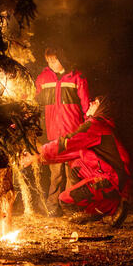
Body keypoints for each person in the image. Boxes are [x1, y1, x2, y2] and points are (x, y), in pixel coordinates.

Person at [33, 99, 131, 226]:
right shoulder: (100, 126)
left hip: (113, 179)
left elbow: (68, 142)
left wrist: (40, 152)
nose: (90, 103)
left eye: (95, 102)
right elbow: (71, 152)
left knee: (65, 199)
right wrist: (40, 157)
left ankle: (110, 207)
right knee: (76, 163)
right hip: (113, 176)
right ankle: (105, 206)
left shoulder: (95, 125)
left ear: (103, 107)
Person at [34, 47, 90, 216]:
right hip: (53, 135)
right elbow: (33, 99)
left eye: (54, 60)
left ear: (63, 58)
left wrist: (88, 126)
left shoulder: (77, 77)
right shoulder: (43, 78)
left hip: (73, 134)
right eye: (49, 61)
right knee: (55, 174)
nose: (51, 64)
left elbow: (86, 104)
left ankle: (70, 206)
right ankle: (53, 207)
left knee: (72, 174)